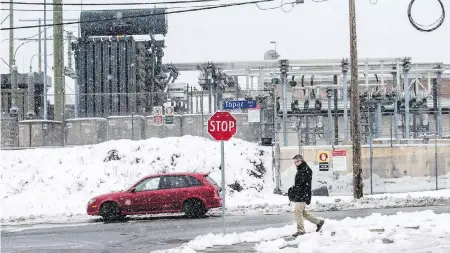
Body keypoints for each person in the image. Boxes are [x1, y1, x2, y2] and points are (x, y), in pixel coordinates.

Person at [288, 154, 325, 237]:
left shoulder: (305, 170)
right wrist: (293, 189)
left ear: (301, 161)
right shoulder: (301, 169)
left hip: (303, 195)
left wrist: (295, 189)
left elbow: (303, 185)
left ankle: (301, 231)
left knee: (297, 211)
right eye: (295, 162)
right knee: (302, 212)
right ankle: (319, 222)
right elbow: (299, 184)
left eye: (297, 161)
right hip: (301, 194)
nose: (296, 163)